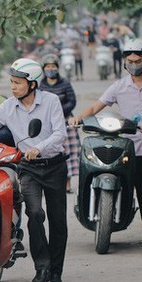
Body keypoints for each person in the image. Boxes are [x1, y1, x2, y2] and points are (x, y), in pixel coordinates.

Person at [0, 58, 68, 282]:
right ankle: (42, 267)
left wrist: (39, 146)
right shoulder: (9, 107)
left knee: (58, 221)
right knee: (35, 214)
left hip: (54, 165)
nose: (13, 87)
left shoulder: (51, 102)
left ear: (33, 84)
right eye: (11, 82)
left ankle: (56, 271)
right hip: (28, 169)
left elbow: (59, 133)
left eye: (18, 82)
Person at [69, 39, 142, 249]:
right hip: (134, 145)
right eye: (129, 61)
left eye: (137, 60)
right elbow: (94, 108)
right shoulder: (119, 87)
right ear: (124, 62)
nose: (133, 64)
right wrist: (78, 118)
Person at [39, 54, 79, 193]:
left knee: (68, 151)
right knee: (47, 151)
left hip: (66, 120)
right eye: (48, 67)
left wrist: (59, 111)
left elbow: (72, 101)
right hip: (46, 122)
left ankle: (67, 184)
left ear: (58, 68)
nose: (51, 69)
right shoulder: (41, 85)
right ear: (44, 69)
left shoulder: (65, 83)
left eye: (53, 66)